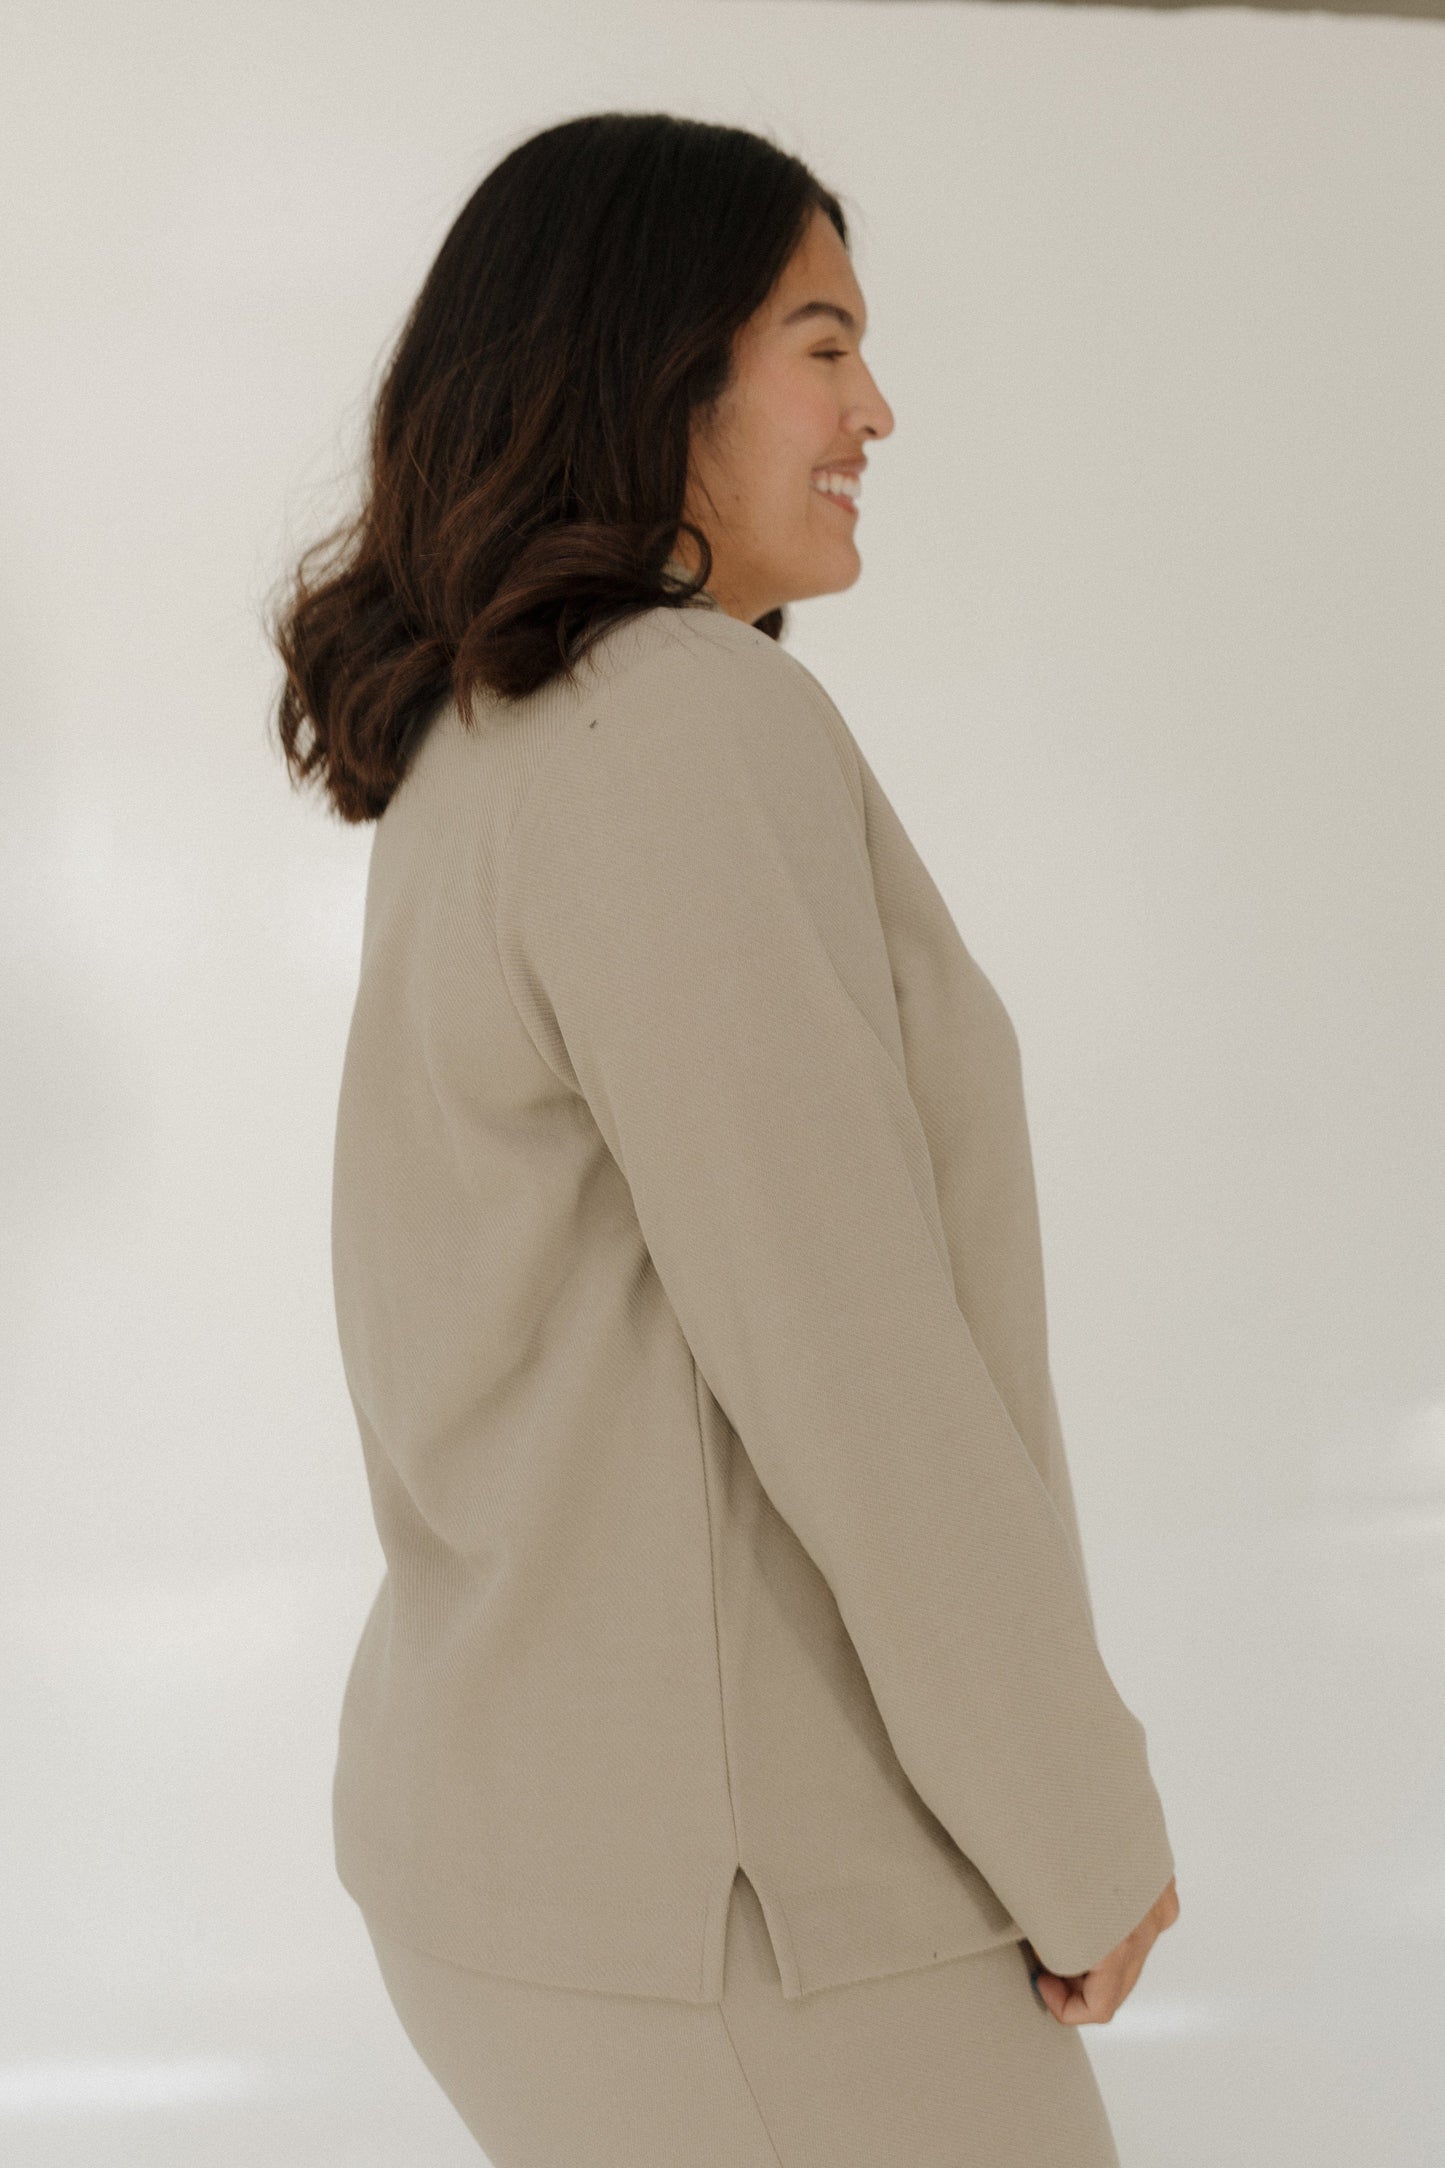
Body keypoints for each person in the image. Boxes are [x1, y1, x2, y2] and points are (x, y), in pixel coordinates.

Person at [269, 110, 1179, 2167]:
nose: (879, 408)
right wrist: (1076, 1814)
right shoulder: (679, 725)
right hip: (753, 1911)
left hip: (544, 1871)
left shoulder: (499, 739)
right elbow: (848, 1354)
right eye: (825, 342)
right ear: (653, 361)